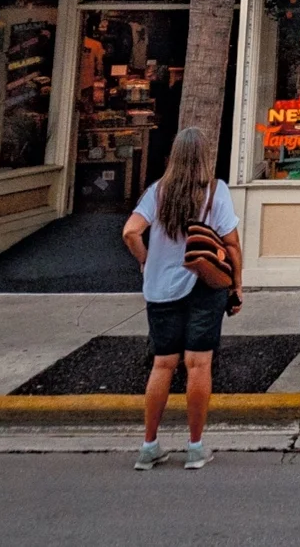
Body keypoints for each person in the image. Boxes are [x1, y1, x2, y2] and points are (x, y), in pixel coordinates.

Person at [121, 126, 242, 472]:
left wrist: (145, 259)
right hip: (203, 285)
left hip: (160, 288)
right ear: (204, 157)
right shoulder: (214, 192)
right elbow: (231, 243)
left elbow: (130, 231)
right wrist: (237, 284)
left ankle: (149, 446)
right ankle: (195, 446)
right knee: (198, 364)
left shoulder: (157, 192)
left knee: (163, 364)